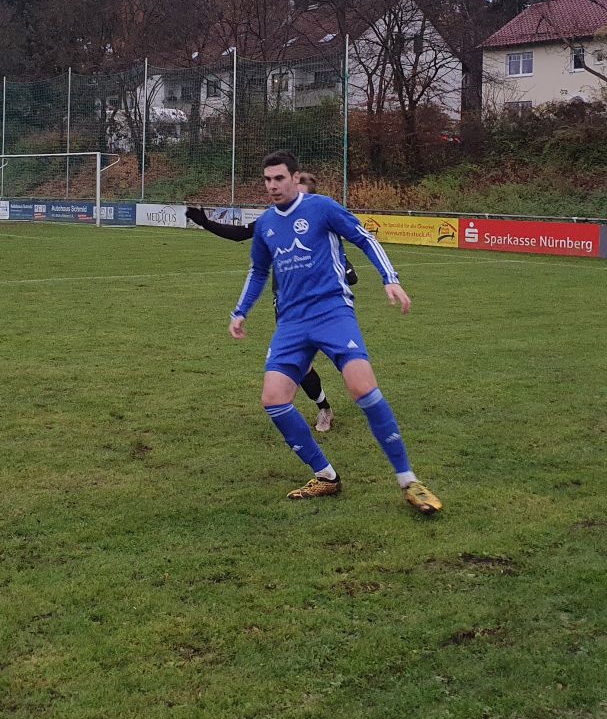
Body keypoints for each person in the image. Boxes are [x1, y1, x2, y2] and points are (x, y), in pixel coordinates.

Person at [229, 149, 442, 514]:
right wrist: (241, 311)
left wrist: (390, 279)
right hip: (292, 322)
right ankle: (326, 476)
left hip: (331, 311)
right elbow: (259, 271)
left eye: (279, 178)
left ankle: (409, 480)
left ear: (296, 178)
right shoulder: (265, 224)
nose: (272, 186)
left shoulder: (322, 208)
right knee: (274, 399)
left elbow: (364, 238)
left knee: (362, 386)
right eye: (267, 180)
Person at [186, 171, 356, 433]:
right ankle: (324, 408)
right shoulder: (274, 220)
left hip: (326, 307)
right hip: (288, 306)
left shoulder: (321, 217)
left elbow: (339, 258)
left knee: (347, 363)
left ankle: (363, 392)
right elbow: (240, 234)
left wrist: (346, 268)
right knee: (302, 365)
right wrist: (206, 223)